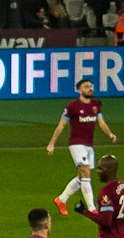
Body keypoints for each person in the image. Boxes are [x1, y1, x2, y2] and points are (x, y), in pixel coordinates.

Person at [46, 78, 119, 214]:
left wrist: (110, 134)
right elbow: (61, 125)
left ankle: (61, 199)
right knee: (85, 172)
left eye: (91, 86)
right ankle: (92, 208)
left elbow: (101, 122)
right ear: (79, 90)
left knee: (82, 177)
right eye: (86, 86)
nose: (90, 88)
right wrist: (52, 143)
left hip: (89, 145)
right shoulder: (72, 106)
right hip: (76, 143)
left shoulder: (95, 105)